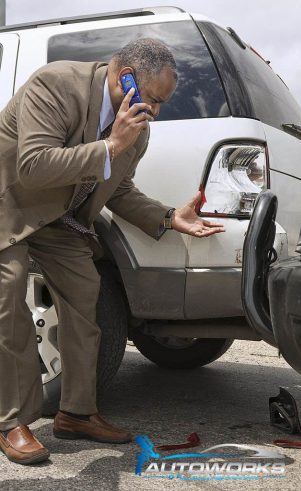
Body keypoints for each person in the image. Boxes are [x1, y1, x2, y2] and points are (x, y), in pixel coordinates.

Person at [0, 38, 225, 465]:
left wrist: (167, 217)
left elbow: (117, 188)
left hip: (57, 218)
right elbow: (32, 165)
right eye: (154, 100)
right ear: (127, 79)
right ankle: (12, 422)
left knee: (87, 293)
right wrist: (110, 146)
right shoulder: (56, 85)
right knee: (10, 299)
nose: (156, 112)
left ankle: (77, 413)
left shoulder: (136, 131)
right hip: (8, 205)